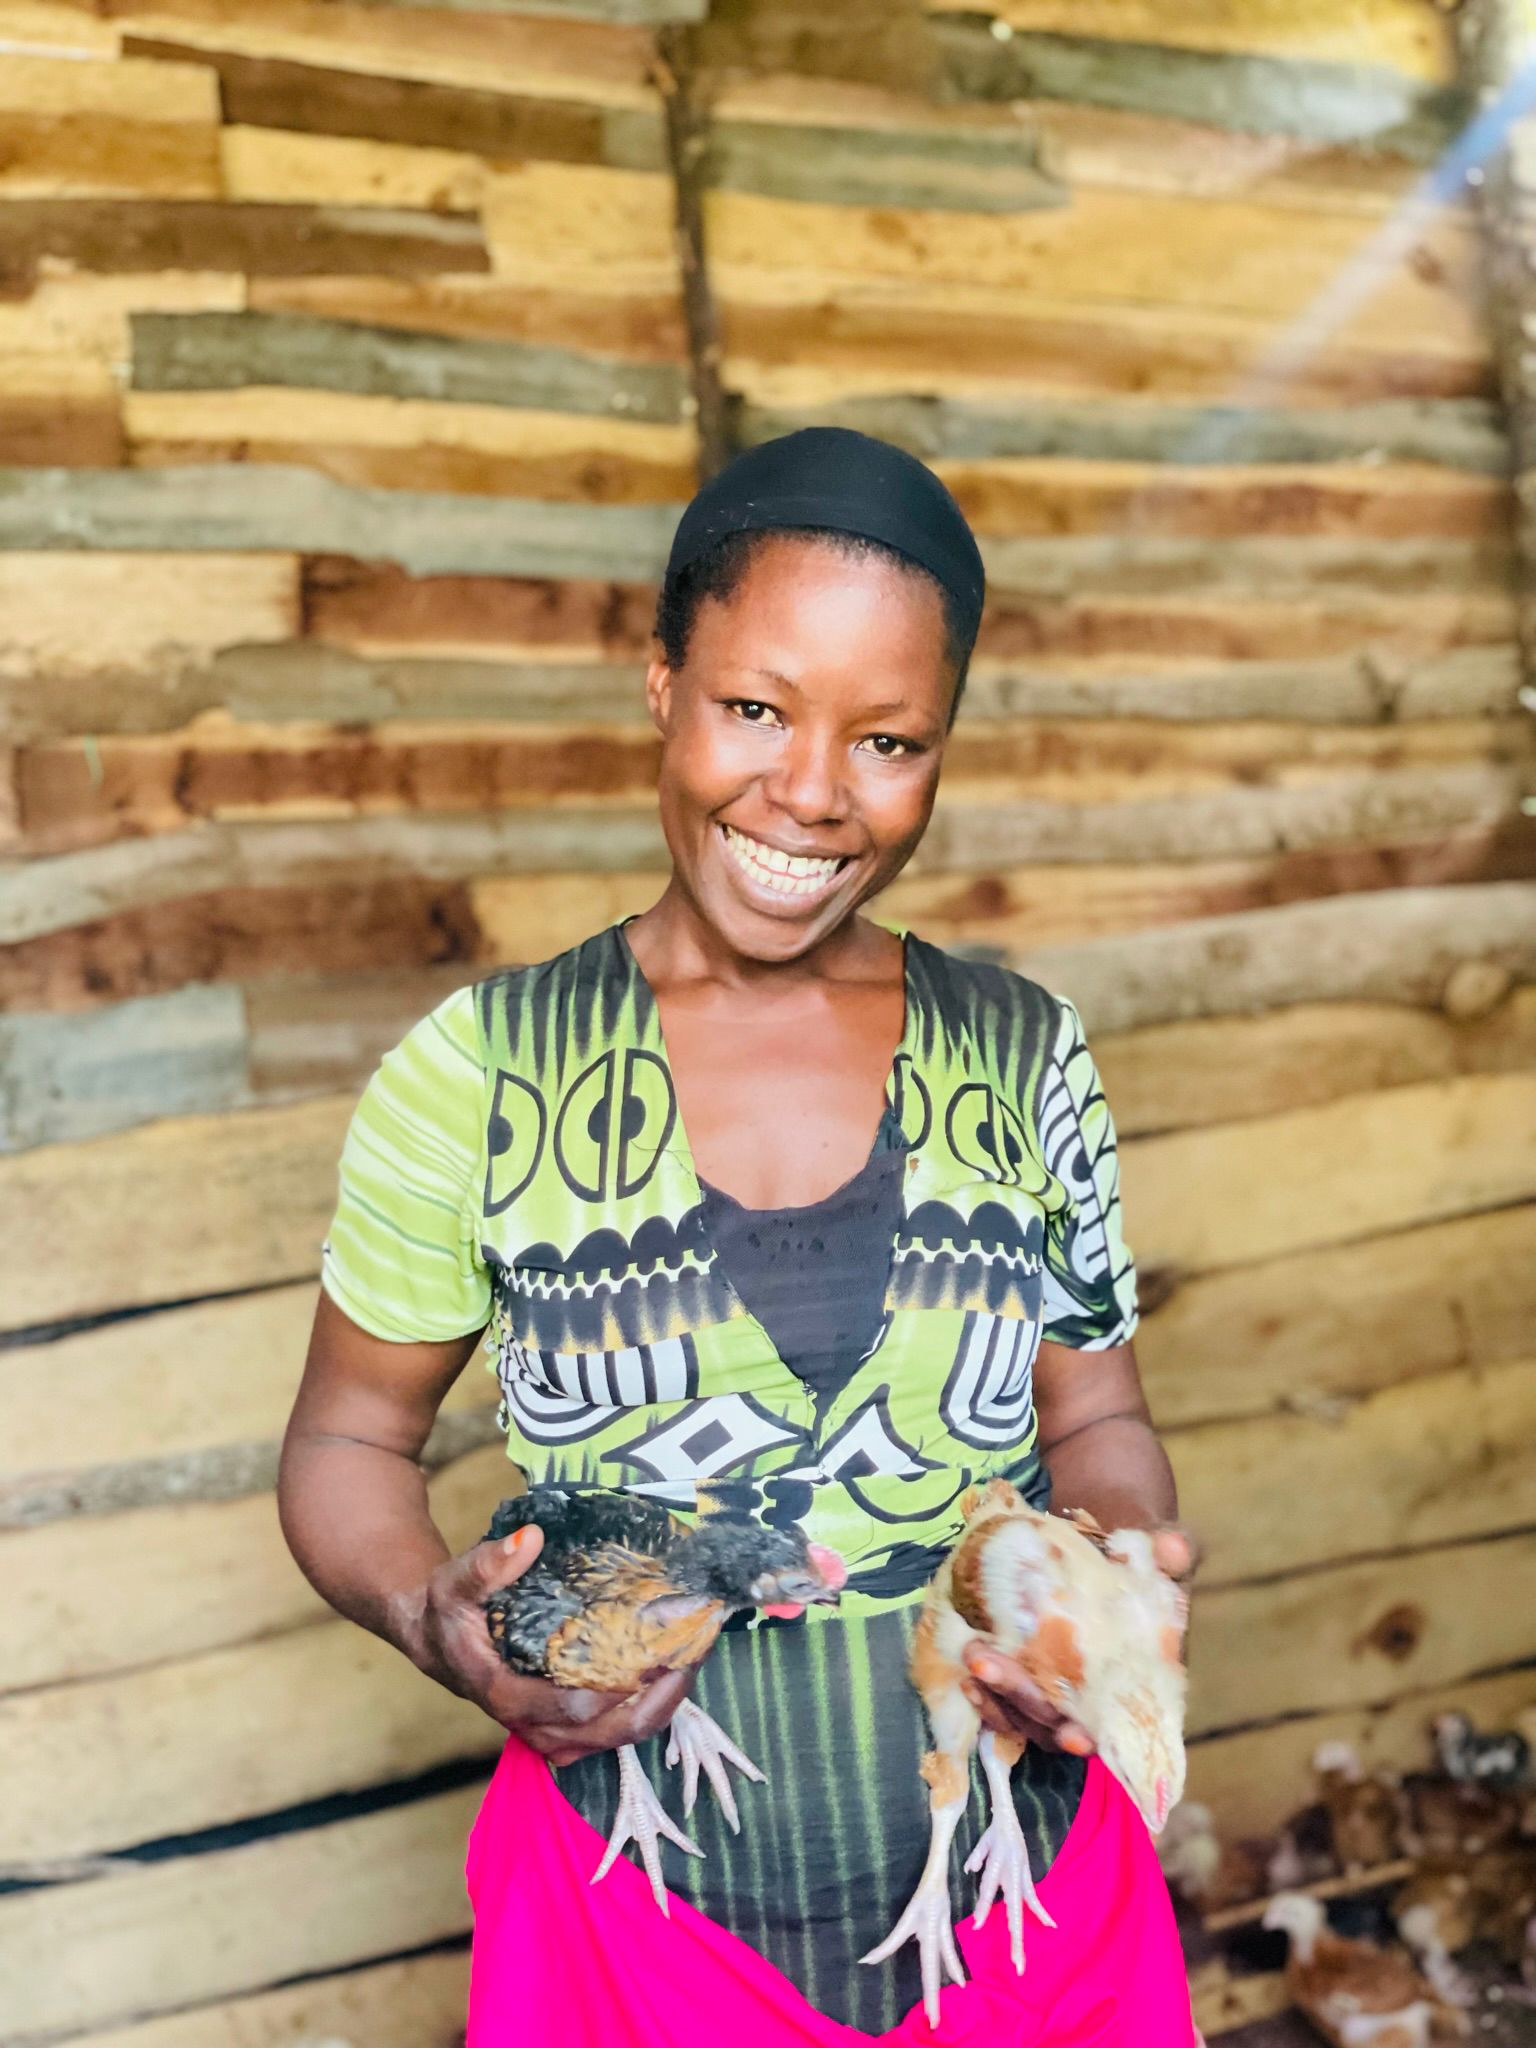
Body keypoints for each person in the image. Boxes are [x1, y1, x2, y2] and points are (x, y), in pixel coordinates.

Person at [279, 427, 1200, 2046]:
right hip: (632, 1936)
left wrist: (1105, 1584)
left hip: (1034, 1919)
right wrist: (434, 1613)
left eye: (891, 739)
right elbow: (352, 1436)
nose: (813, 793)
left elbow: (1099, 1414)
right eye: (755, 709)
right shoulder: (482, 1074)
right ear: (662, 688)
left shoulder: (1028, 1052)